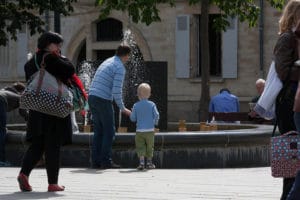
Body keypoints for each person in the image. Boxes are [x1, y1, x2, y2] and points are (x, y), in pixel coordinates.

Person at [17, 31, 75, 192]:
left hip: (37, 108)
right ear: (49, 44)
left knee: (38, 144)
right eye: (57, 44)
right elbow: (70, 69)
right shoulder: (50, 58)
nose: (59, 47)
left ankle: (24, 174)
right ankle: (52, 183)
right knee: (53, 145)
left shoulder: (31, 61)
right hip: (53, 108)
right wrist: (61, 57)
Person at [272, 1, 300, 199]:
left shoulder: (295, 39)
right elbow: (283, 71)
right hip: (289, 102)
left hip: (293, 99)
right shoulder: (287, 38)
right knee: (292, 157)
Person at [88, 44, 132, 169]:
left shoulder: (108, 61)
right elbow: (116, 91)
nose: (128, 59)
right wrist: (123, 108)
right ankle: (106, 161)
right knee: (109, 131)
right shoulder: (119, 67)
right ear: (126, 55)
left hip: (92, 97)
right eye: (128, 56)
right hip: (102, 99)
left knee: (98, 131)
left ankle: (95, 161)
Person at [129, 83, 159, 170]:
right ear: (149, 94)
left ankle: (141, 163)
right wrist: (155, 123)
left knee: (140, 146)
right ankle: (149, 163)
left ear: (138, 95)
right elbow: (157, 114)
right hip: (150, 131)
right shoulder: (152, 104)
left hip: (139, 131)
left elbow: (133, 119)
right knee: (150, 146)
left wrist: (132, 113)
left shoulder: (135, 105)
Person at [0, 82, 27, 167]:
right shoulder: (20, 96)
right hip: (0, 100)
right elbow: (23, 113)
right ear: (22, 91)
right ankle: (1, 160)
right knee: (1, 131)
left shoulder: (4, 90)